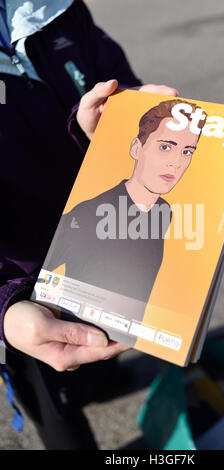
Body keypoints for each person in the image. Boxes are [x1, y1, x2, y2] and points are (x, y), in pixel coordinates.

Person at [0, 0, 177, 449]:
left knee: (103, 340)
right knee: (54, 398)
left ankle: (102, 382)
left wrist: (119, 122)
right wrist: (4, 308)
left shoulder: (56, 10)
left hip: (99, 231)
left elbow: (118, 80)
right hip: (23, 280)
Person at [40, 99, 207, 346]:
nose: (177, 162)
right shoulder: (87, 214)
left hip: (125, 338)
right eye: (165, 147)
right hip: (76, 340)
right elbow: (41, 281)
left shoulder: (164, 211)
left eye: (187, 152)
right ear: (137, 149)